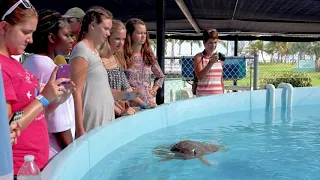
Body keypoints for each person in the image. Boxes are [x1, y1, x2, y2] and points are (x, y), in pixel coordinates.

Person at [0, 0, 75, 175]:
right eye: (26, 32)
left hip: (34, 166)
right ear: (4, 28)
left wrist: (56, 99)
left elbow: (30, 114)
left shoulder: (15, 64)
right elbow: (8, 125)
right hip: (19, 168)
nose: (31, 40)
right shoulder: (2, 67)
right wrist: (43, 99)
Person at [70, 10, 141, 138]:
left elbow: (103, 90)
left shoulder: (94, 52)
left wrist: (131, 95)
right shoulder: (81, 50)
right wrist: (80, 129)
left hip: (103, 121)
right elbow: (76, 92)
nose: (108, 33)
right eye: (106, 29)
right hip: (92, 124)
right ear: (92, 26)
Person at [23, 9, 75, 161]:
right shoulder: (50, 69)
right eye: (66, 35)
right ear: (52, 37)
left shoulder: (30, 62)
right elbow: (58, 121)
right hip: (56, 153)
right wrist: (73, 151)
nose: (72, 40)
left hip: (39, 147)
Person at [98, 19, 156, 117]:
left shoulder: (116, 58)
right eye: (117, 39)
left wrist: (144, 104)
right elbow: (102, 93)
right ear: (107, 37)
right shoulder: (98, 60)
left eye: (123, 39)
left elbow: (127, 89)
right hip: (104, 112)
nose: (121, 43)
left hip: (119, 111)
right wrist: (120, 112)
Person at [123, 18, 164, 106]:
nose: (143, 36)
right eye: (139, 33)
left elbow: (160, 76)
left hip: (149, 103)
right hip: (130, 105)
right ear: (129, 34)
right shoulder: (122, 55)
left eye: (145, 33)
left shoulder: (148, 55)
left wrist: (154, 90)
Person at [193, 28, 224, 96]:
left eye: (215, 42)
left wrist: (223, 94)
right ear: (204, 43)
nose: (213, 45)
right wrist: (211, 63)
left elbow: (220, 79)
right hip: (203, 98)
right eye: (210, 42)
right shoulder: (198, 57)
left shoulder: (219, 58)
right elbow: (200, 77)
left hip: (218, 97)